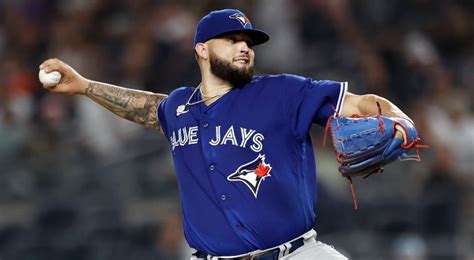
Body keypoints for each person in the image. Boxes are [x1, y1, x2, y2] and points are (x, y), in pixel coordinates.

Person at [39, 8, 412, 260]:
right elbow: (152, 108)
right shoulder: (180, 107)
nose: (244, 48)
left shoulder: (282, 92)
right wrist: (85, 85)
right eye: (231, 39)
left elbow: (362, 104)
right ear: (202, 49)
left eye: (248, 42)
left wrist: (401, 122)